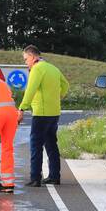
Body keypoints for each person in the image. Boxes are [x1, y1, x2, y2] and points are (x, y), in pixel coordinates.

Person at [17, 45, 69, 187]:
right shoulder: (53, 68)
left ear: (33, 57)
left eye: (26, 59)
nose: (25, 62)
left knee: (36, 145)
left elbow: (30, 90)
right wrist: (57, 97)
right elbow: (66, 85)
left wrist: (22, 108)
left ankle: (35, 178)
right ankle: (54, 176)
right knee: (51, 144)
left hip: (41, 113)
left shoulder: (37, 69)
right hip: (54, 112)